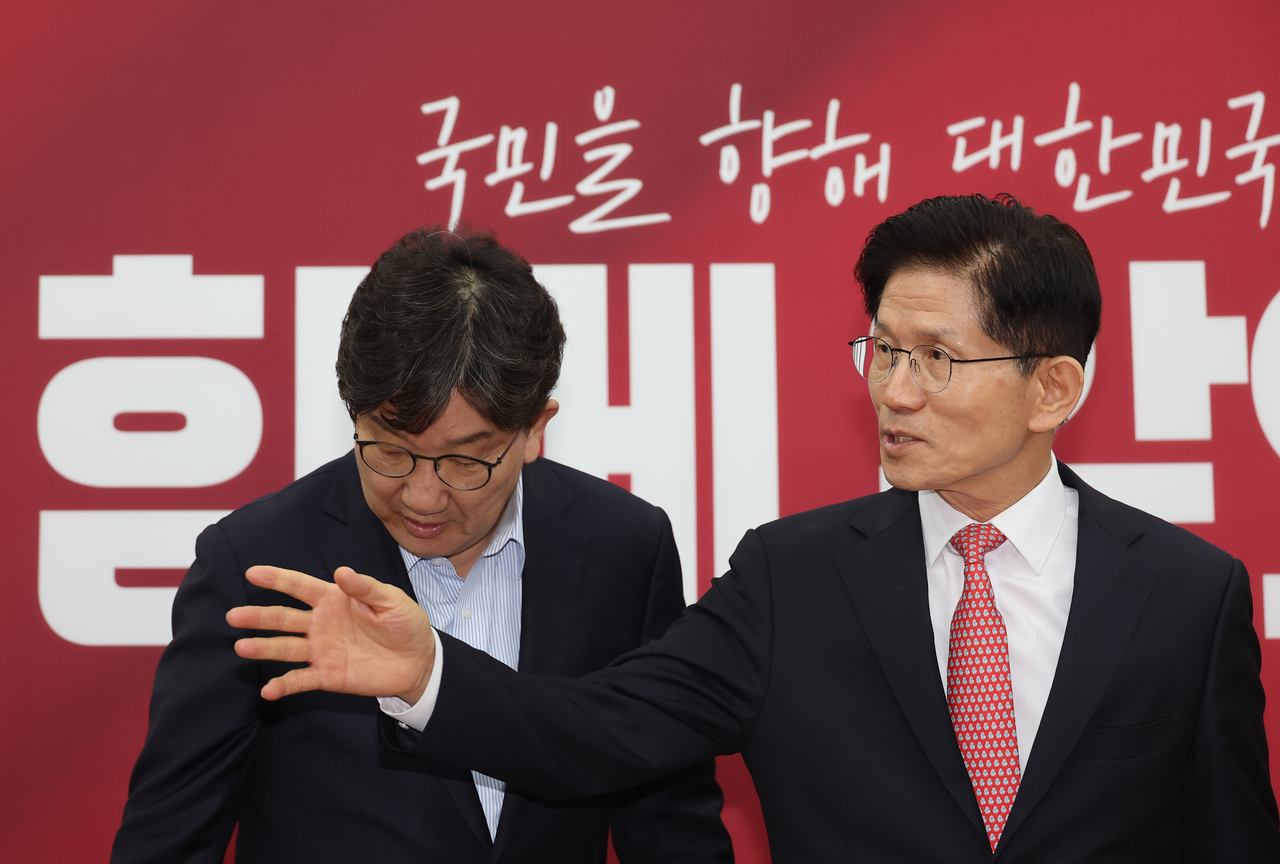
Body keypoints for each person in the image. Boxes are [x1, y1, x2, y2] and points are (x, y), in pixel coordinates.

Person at [229, 196, 1280, 863]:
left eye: (935, 358)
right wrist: (432, 677)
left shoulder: (1188, 596)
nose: (894, 391)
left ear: (1051, 387)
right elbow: (600, 728)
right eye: (881, 351)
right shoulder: (792, 579)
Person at [112, 227, 734, 864]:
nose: (423, 497)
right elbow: (169, 839)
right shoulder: (256, 563)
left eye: (465, 462)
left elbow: (670, 826)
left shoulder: (623, 546)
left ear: (534, 430)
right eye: (389, 451)